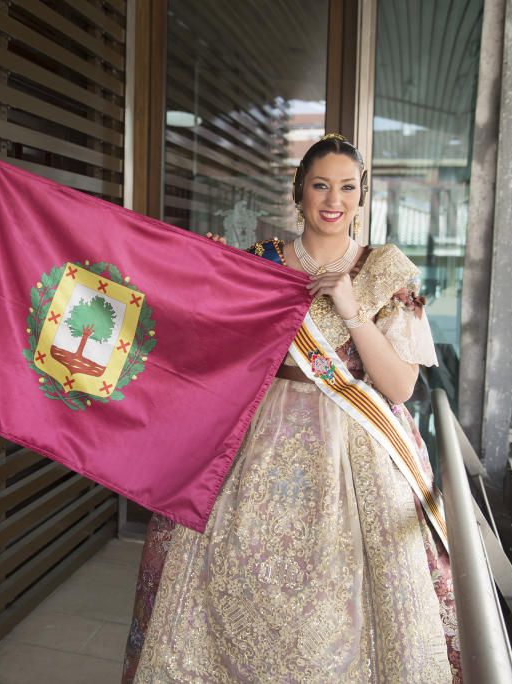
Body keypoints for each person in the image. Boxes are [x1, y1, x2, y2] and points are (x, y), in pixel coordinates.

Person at [123, 134, 460, 683]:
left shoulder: (386, 269)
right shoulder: (261, 261)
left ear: (362, 196)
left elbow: (398, 387)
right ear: (299, 191)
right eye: (321, 185)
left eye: (348, 187)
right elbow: (214, 351)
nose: (334, 199)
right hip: (255, 438)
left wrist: (350, 309)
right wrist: (205, 277)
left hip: (356, 450)